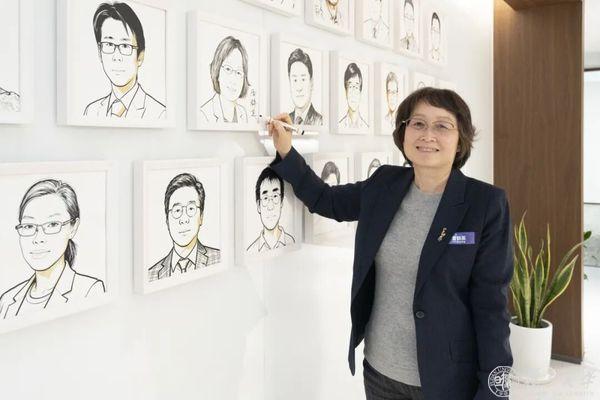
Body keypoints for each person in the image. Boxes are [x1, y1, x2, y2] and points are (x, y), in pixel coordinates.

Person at [266, 87, 514, 399]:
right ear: (403, 133)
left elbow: (491, 307)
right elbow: (326, 200)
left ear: (461, 139)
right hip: (380, 373)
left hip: (447, 380)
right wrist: (287, 151)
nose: (428, 135)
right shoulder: (385, 183)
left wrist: (495, 391)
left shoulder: (485, 204)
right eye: (418, 123)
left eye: (442, 125)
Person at [0, 179, 105, 319]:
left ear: (73, 227)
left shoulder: (89, 290)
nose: (38, 238)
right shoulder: (7, 300)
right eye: (29, 226)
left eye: (52, 224)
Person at [84, 2, 166, 119]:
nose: (116, 57)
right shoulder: (91, 111)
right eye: (109, 44)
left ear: (140, 56)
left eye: (125, 46)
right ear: (99, 52)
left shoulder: (159, 114)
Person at [148, 173, 221, 282]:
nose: (184, 219)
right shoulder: (151, 275)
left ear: (201, 216)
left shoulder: (219, 259)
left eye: (191, 209)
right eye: (177, 210)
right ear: (167, 220)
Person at [200, 36, 250, 124]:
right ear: (217, 70)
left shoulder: (243, 113)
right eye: (228, 69)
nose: (233, 80)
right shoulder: (205, 114)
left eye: (239, 72)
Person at [247, 167, 295, 252]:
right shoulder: (251, 251)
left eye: (275, 196)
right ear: (258, 206)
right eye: (265, 198)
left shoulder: (292, 242)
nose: (270, 206)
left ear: (281, 202)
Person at [287, 48, 323, 126]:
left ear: (311, 82)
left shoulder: (320, 122)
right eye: (295, 80)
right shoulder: (285, 121)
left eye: (303, 79)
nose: (299, 88)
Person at [339, 63, 369, 129]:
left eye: (356, 87)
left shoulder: (366, 127)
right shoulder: (340, 125)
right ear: (346, 92)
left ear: (360, 92)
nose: (353, 92)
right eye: (350, 87)